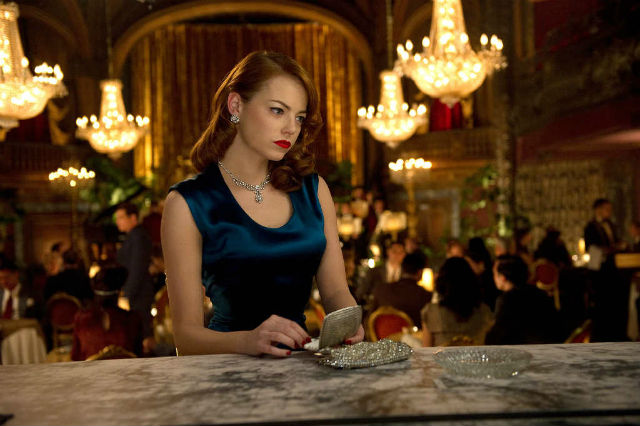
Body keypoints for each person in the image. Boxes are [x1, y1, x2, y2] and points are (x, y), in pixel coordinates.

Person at [161, 51, 364, 357]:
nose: (291, 128)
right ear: (236, 106)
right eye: (277, 111)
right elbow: (186, 339)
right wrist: (247, 341)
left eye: (299, 117)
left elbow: (336, 291)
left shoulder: (314, 190)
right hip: (226, 373)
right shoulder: (187, 203)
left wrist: (349, 321)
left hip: (301, 368)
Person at [485, 255, 563, 345]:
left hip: (530, 349)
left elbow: (497, 336)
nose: (494, 278)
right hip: (553, 344)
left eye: (494, 274)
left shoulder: (507, 300)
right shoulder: (538, 292)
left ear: (503, 277)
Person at [71, 265, 143, 361]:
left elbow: (75, 357)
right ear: (119, 292)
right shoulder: (133, 319)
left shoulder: (81, 318)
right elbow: (139, 357)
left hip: (91, 371)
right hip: (125, 370)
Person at [421, 257, 493, 346]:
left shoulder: (431, 312)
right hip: (474, 355)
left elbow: (426, 350)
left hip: (442, 355)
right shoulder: (484, 312)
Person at [115, 202, 155, 353]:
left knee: (142, 337)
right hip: (136, 293)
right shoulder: (133, 236)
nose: (118, 221)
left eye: (121, 217)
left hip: (139, 295)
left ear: (133, 218)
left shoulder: (138, 236)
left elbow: (137, 268)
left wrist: (126, 295)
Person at [371, 252, 432, 327]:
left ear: (402, 269)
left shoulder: (382, 290)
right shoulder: (425, 295)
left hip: (382, 334)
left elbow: (370, 319)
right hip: (412, 334)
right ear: (420, 272)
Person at [356, 241, 405, 306]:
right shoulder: (374, 272)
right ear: (388, 252)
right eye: (394, 252)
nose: (397, 255)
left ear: (404, 254)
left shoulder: (405, 273)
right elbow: (362, 290)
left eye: (400, 252)